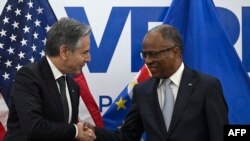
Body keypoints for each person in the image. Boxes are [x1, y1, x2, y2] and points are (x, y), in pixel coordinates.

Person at [85, 24, 229, 141]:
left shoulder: (207, 86)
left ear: (176, 52)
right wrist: (95, 132)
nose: (147, 61)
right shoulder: (142, 91)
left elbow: (219, 134)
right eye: (145, 55)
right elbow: (127, 136)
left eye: (154, 54)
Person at [4, 17, 96, 141]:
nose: (88, 59)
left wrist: (81, 131)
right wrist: (75, 131)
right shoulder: (28, 76)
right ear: (64, 52)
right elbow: (34, 127)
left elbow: (64, 130)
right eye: (84, 53)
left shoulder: (73, 86)